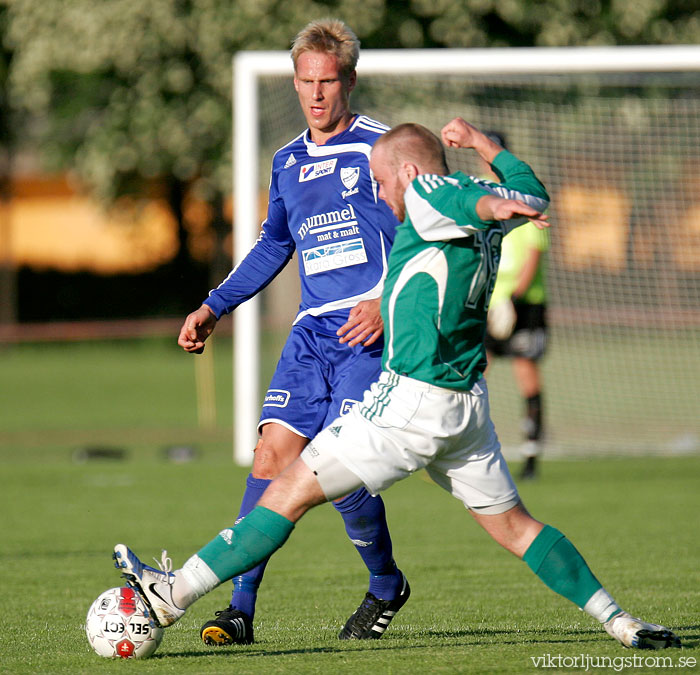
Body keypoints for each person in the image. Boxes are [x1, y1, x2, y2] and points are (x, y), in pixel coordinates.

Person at [121, 119, 680, 651]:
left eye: (381, 182)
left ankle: (172, 595)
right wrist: (488, 152)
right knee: (515, 527)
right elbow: (529, 190)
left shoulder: (434, 197)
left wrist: (495, 201)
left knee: (287, 491)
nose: (379, 194)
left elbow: (482, 200)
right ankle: (620, 621)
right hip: (468, 411)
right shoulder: (470, 199)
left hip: (411, 403)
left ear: (411, 175)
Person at [176, 19, 408, 646]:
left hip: (368, 333)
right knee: (271, 456)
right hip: (310, 335)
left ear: (349, 81)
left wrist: (386, 301)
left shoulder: (381, 151)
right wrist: (215, 305)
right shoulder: (286, 160)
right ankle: (240, 610)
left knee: (337, 473)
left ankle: (385, 582)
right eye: (305, 82)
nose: (315, 95)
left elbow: (423, 236)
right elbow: (273, 244)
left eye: (327, 82)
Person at [480, 131, 549, 480]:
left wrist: (513, 298)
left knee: (526, 373)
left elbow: (533, 255)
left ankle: (532, 455)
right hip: (486, 305)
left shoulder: (522, 196)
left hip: (523, 306)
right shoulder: (476, 194)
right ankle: (459, 448)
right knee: (473, 373)